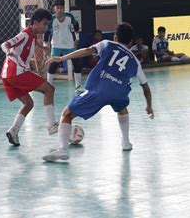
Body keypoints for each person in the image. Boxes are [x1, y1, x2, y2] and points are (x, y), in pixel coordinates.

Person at [42, 22, 154, 162]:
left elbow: (87, 51)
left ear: (115, 37)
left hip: (100, 90)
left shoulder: (107, 44)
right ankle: (126, 142)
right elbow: (146, 87)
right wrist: (149, 106)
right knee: (122, 108)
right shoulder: (135, 61)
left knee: (67, 114)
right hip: (119, 93)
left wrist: (61, 58)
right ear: (130, 41)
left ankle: (63, 150)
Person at [1, 8, 58, 146]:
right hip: (16, 73)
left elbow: (34, 47)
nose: (46, 27)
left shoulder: (32, 37)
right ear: (36, 23)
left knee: (29, 104)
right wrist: (8, 51)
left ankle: (13, 131)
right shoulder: (25, 34)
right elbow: (5, 44)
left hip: (7, 76)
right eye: (44, 24)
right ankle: (52, 125)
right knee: (49, 89)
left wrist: (44, 49)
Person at [44, 0, 85, 94]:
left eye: (61, 8)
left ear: (64, 8)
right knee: (53, 64)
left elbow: (76, 25)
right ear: (54, 8)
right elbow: (46, 33)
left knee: (77, 63)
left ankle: (78, 86)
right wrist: (46, 46)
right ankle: (48, 86)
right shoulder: (51, 20)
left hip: (69, 44)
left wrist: (77, 38)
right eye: (57, 8)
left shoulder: (69, 17)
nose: (59, 10)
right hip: (56, 45)